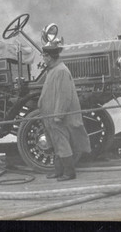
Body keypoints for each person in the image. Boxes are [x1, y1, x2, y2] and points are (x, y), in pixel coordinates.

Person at [38, 42, 91, 181]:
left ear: (49, 57)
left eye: (44, 55)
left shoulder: (61, 71)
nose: (43, 58)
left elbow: (64, 95)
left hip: (57, 116)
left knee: (62, 143)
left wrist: (58, 115)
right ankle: (59, 171)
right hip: (50, 116)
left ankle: (69, 172)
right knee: (56, 143)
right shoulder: (53, 70)